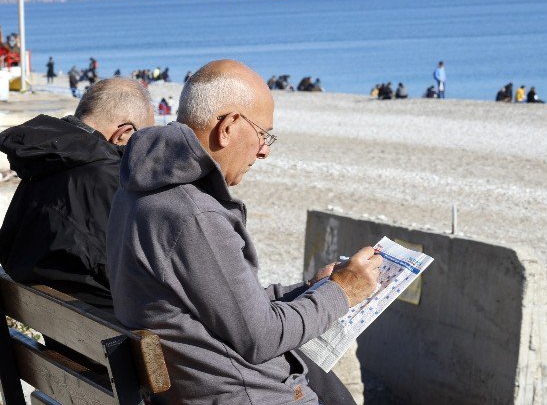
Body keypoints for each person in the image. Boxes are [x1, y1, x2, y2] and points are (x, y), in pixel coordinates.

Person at [106, 60, 382, 404]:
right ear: (229, 126)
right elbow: (260, 337)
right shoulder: (192, 213)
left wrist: (310, 289)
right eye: (263, 134)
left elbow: (222, 302)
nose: (264, 150)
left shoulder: (138, 192)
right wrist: (341, 293)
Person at [0, 78, 155, 311]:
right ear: (123, 134)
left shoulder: (41, 164)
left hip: (58, 333)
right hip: (109, 335)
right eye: (145, 140)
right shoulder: (110, 178)